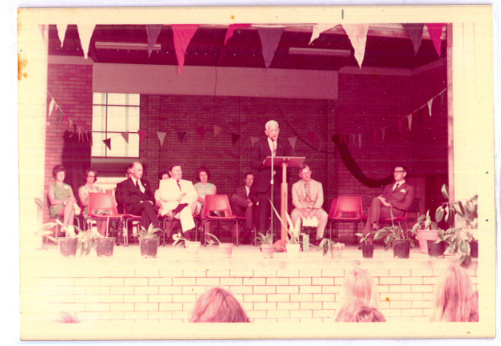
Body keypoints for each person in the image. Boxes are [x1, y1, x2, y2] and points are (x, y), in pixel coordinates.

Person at [250, 120, 292, 238]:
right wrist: (263, 163)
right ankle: (262, 238)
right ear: (266, 132)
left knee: (279, 211)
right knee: (263, 212)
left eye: (276, 130)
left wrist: (285, 181)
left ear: (279, 131)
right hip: (264, 184)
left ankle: (280, 238)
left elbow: (289, 163)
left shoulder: (285, 144)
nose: (274, 133)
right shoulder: (259, 144)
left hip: (279, 182)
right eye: (271, 130)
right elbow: (253, 163)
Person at [362, 165, 415, 241]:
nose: (395, 174)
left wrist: (390, 203)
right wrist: (380, 199)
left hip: (397, 211)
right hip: (385, 210)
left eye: (398, 172)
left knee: (371, 211)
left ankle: (368, 238)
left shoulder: (409, 188)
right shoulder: (388, 187)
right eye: (394, 172)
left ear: (404, 174)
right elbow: (383, 200)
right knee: (375, 199)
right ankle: (374, 225)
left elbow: (406, 206)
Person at [290, 164, 328, 246]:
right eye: (304, 173)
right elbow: (295, 200)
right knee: (294, 214)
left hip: (315, 208)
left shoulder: (318, 185)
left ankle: (319, 238)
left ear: (310, 172)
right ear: (300, 175)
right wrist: (302, 210)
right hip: (301, 208)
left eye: (308, 172)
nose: (307, 175)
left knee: (324, 215)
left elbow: (320, 199)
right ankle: (296, 238)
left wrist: (314, 210)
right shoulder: (295, 186)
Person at [157, 164, 198, 239]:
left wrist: (184, 195)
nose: (179, 172)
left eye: (180, 170)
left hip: (175, 211)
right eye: (176, 170)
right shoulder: (164, 183)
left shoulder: (188, 183)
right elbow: (164, 196)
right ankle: (187, 239)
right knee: (185, 209)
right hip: (172, 207)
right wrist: (179, 196)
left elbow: (195, 195)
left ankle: (177, 210)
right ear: (170, 173)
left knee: (191, 197)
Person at [121, 162, 160, 230]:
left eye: (142, 170)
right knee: (146, 204)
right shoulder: (124, 184)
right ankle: (157, 226)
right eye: (138, 170)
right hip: (132, 209)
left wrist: (151, 202)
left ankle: (145, 236)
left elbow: (151, 197)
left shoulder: (146, 183)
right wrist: (140, 201)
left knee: (145, 212)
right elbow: (125, 199)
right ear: (132, 171)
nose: (141, 172)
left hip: (145, 208)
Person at [48, 165, 76, 234]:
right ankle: (68, 229)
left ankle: (65, 227)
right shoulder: (52, 187)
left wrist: (71, 200)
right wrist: (64, 201)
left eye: (63, 174)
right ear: (55, 175)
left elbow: (74, 199)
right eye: (59, 174)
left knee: (71, 207)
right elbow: (52, 201)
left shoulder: (68, 186)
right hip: (57, 208)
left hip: (67, 207)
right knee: (70, 207)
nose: (61, 176)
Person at [78, 168, 106, 235]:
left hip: (98, 209)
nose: (91, 178)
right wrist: (95, 204)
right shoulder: (82, 189)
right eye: (89, 176)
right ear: (86, 177)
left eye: (93, 176)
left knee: (106, 214)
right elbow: (83, 203)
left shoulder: (99, 189)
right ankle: (101, 235)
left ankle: (101, 234)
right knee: (99, 213)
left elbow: (102, 201)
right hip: (87, 210)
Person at [231, 172, 255, 245]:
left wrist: (250, 204)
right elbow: (238, 201)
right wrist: (247, 203)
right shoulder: (239, 189)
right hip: (240, 211)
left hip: (252, 213)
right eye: (247, 178)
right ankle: (248, 204)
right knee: (234, 197)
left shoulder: (257, 190)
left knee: (250, 208)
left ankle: (247, 235)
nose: (249, 181)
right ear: (244, 180)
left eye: (251, 179)